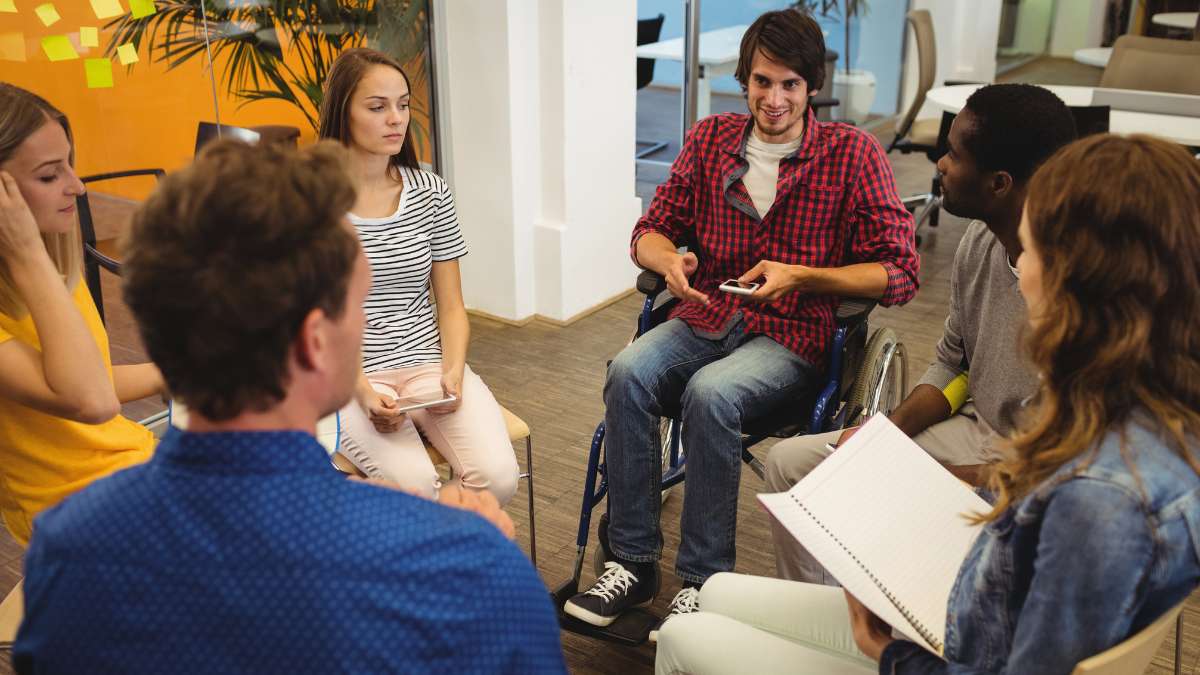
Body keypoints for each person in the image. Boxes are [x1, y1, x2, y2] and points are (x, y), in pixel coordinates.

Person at [13, 139, 566, 673]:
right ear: (314, 341)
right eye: (361, 308)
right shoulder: (468, 571)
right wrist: (462, 552)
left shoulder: (66, 549)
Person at [655, 133, 1200, 674]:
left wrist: (886, 651)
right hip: (969, 613)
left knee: (684, 634)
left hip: (952, 641)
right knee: (718, 591)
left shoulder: (1099, 503)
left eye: (1032, 251)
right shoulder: (1143, 422)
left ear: (1083, 280)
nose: (1021, 272)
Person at [564, 9, 919, 633]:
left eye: (789, 85)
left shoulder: (851, 155)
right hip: (708, 312)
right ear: (744, 80)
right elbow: (649, 232)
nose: (773, 99)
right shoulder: (709, 140)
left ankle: (703, 581)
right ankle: (633, 561)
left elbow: (898, 272)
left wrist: (802, 275)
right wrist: (668, 257)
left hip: (794, 333)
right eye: (761, 82)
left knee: (711, 393)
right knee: (627, 371)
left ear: (812, 87)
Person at [765, 83, 1078, 584]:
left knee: (880, 494)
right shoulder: (979, 242)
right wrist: (883, 433)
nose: (940, 164)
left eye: (953, 153)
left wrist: (926, 479)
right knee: (790, 463)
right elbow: (954, 366)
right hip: (977, 432)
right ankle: (828, 623)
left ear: (999, 183)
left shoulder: (1084, 288)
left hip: (1038, 472)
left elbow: (1070, 469)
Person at [317, 48, 519, 505]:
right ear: (342, 112)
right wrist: (363, 391)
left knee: (500, 476)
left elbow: (450, 305)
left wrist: (453, 374)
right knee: (415, 490)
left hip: (428, 365)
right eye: (377, 106)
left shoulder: (430, 191)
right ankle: (416, 560)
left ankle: (438, 562)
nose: (396, 119)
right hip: (351, 375)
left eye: (403, 105)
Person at [0, 83, 162, 546]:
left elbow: (89, 377)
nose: (78, 185)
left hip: (132, 472)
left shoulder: (51, 264)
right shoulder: (36, 269)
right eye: (50, 176)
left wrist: (176, 373)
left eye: (70, 165)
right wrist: (28, 253)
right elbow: (92, 401)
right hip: (79, 523)